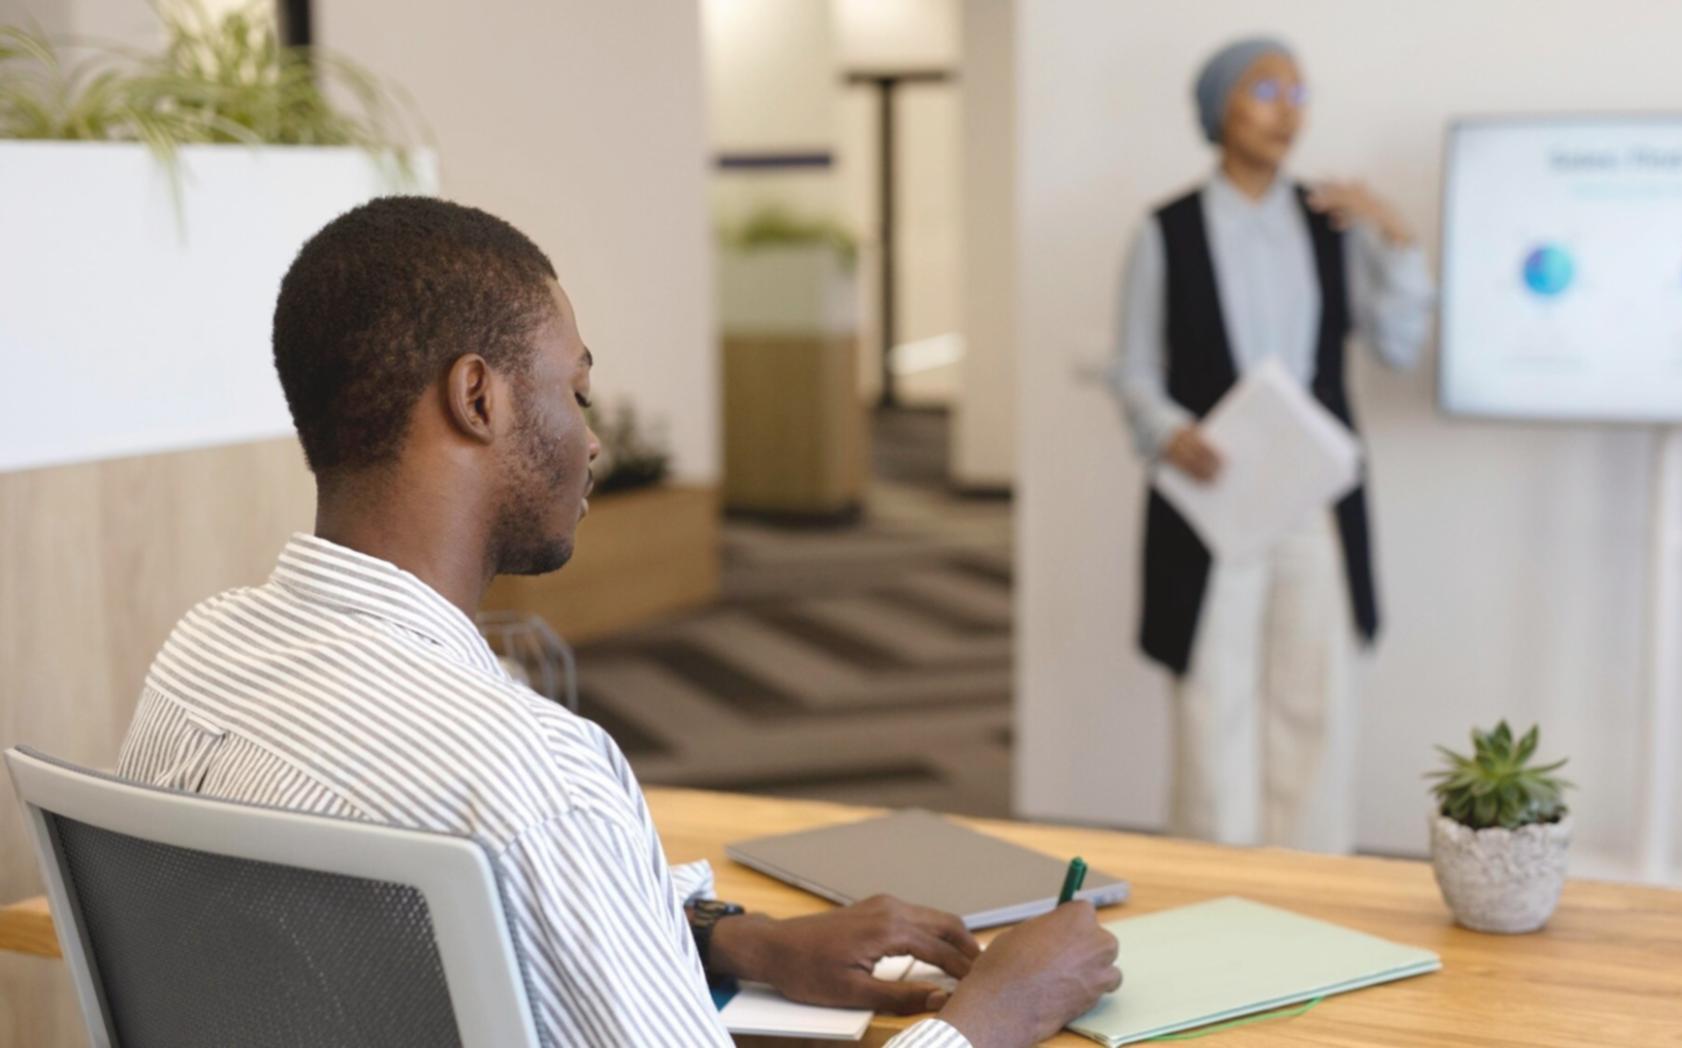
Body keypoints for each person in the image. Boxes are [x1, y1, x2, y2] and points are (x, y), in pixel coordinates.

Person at [115, 197, 1120, 1048]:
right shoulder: (529, 775)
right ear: (477, 397)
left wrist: (730, 936)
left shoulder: (202, 659)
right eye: (576, 390)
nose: (593, 441)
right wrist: (994, 1009)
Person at [1108, 38, 1434, 852]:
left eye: (1299, 91)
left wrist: (1396, 239)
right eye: (1265, 88)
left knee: (1314, 692)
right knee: (1212, 689)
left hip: (1314, 494)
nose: (1289, 108)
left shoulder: (1332, 224)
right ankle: (1211, 869)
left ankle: (1312, 873)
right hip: (1215, 495)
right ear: (1221, 107)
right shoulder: (1167, 230)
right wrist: (1168, 432)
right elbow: (1135, 368)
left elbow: (1396, 344)